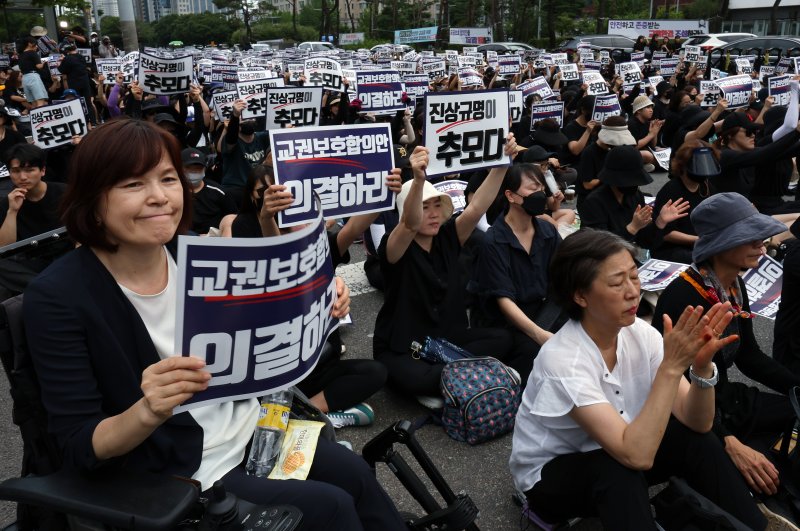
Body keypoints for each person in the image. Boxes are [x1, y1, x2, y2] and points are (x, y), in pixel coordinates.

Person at [24, 118, 408, 531]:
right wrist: (148, 409)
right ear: (92, 198)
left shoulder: (194, 255)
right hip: (182, 472)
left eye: (168, 179)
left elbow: (266, 315)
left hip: (255, 430)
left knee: (357, 475)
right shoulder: (58, 296)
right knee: (330, 508)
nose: (159, 197)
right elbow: (81, 445)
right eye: (132, 185)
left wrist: (321, 292)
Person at [509, 228, 769, 530]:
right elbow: (638, 456)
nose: (634, 291)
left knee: (696, 440)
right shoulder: (563, 360)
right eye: (617, 282)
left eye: (634, 276)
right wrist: (671, 368)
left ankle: (757, 526)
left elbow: (698, 422)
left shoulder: (641, 334)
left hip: (623, 445)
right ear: (580, 296)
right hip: (552, 477)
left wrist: (700, 368)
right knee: (618, 470)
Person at [653, 192, 800, 502]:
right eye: (750, 237)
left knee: (795, 411)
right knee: (750, 480)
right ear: (721, 245)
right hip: (687, 414)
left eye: (761, 237)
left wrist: (796, 386)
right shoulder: (684, 297)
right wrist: (729, 442)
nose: (761, 244)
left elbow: (748, 356)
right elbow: (675, 383)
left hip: (727, 401)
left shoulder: (734, 284)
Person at [373, 139, 519, 404]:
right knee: (402, 375)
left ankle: (453, 381)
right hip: (407, 347)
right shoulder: (395, 246)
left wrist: (501, 166)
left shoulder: (448, 236)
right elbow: (408, 224)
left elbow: (476, 209)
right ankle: (468, 378)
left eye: (437, 206)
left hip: (448, 339)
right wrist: (418, 180)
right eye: (424, 206)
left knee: (502, 338)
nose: (432, 214)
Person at [470, 163, 562, 379]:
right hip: (507, 323)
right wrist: (539, 334)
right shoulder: (493, 241)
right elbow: (504, 301)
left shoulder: (547, 230)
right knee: (537, 353)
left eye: (541, 188)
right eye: (532, 189)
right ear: (511, 196)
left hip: (543, 311)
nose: (539, 194)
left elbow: (563, 275)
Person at [579, 144, 689, 252]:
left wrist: (660, 222)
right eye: (629, 181)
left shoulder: (635, 196)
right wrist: (632, 228)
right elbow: (600, 248)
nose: (634, 185)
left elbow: (645, 242)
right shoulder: (594, 203)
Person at [651, 141, 719, 264]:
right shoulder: (671, 191)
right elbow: (666, 234)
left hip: (699, 243)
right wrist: (700, 240)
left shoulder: (706, 186)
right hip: (671, 250)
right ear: (683, 166)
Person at [0, 143, 65, 246]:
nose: (23, 177)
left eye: (29, 170)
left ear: (42, 170)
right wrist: (12, 211)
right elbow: (4, 247)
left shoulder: (65, 192)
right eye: (16, 171)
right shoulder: (7, 204)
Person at [181, 147, 237, 235]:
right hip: (183, 240)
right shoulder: (175, 193)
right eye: (189, 168)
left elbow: (233, 218)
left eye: (198, 168)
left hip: (214, 240)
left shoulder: (218, 192)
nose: (194, 171)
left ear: (204, 169)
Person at [16, 36, 48, 108]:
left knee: (33, 104)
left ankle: (34, 118)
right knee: (40, 101)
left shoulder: (20, 55)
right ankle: (41, 118)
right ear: (30, 44)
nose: (36, 46)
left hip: (24, 79)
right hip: (33, 77)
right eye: (35, 44)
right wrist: (45, 62)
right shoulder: (33, 53)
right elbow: (39, 66)